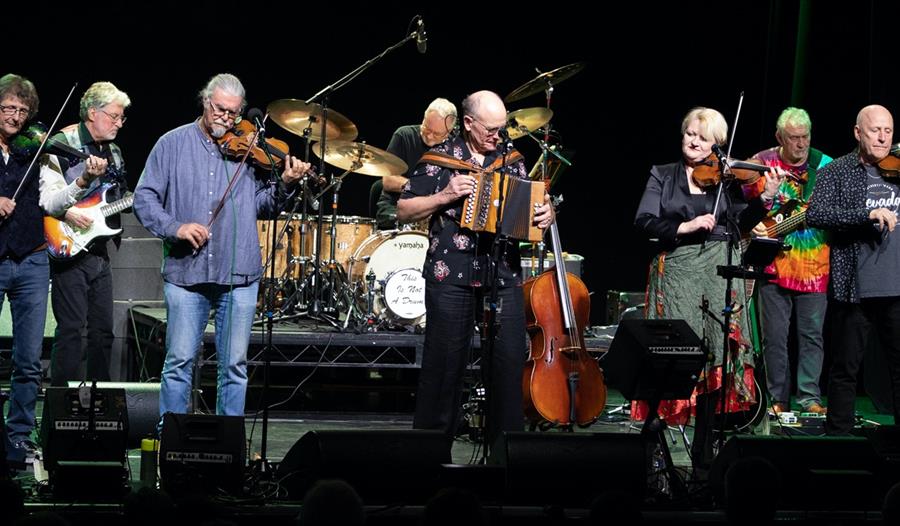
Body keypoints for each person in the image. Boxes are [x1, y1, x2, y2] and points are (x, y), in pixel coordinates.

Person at [133, 73, 310, 421]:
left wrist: (285, 184)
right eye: (220, 110)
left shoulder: (249, 148)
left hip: (239, 273)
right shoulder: (172, 144)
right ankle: (171, 439)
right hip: (187, 272)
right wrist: (176, 227)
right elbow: (144, 198)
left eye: (233, 113)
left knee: (234, 366)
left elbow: (263, 206)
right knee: (180, 361)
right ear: (205, 102)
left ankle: (227, 446)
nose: (226, 119)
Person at [397, 90, 554, 448]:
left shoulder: (510, 159)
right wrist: (445, 195)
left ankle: (505, 456)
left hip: (501, 274)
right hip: (450, 275)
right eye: (491, 129)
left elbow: (530, 211)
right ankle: (430, 455)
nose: (499, 136)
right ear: (468, 124)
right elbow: (404, 209)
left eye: (502, 129)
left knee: (507, 365)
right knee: (444, 367)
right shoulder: (439, 160)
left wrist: (545, 215)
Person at [633, 107, 781, 468]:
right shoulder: (663, 175)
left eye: (703, 138)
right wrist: (686, 226)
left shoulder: (727, 181)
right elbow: (644, 221)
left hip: (718, 274)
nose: (694, 142)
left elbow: (742, 223)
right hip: (678, 273)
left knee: (716, 356)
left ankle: (704, 453)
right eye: (690, 134)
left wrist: (766, 198)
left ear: (718, 145)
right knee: (673, 358)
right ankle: (652, 452)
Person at [0, 74, 108, 467]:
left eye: (22, 111)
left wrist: (82, 179)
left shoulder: (38, 150)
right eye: (8, 108)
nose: (15, 117)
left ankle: (18, 439)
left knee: (28, 361)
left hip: (30, 260)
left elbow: (53, 199)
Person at [807, 104, 900, 436]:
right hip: (854, 286)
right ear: (858, 132)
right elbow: (816, 214)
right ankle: (839, 440)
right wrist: (866, 215)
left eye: (888, 131)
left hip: (896, 287)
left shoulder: (898, 168)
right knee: (845, 368)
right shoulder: (837, 171)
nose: (882, 137)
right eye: (875, 130)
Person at [744, 107, 832, 415]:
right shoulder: (762, 162)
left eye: (805, 136)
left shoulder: (825, 166)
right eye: (794, 138)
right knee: (775, 339)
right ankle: (778, 399)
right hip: (773, 266)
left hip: (814, 268)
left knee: (812, 337)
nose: (801, 144)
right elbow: (747, 205)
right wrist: (755, 220)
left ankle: (809, 398)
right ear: (780, 137)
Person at [48, 81, 131, 387]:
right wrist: (66, 212)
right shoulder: (61, 141)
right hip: (68, 246)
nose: (119, 123)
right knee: (70, 330)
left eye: (122, 118)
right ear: (93, 113)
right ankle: (60, 403)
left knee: (103, 332)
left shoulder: (116, 152)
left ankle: (99, 402)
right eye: (114, 116)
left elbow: (117, 196)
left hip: (100, 249)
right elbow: (43, 196)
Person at [376, 98, 457, 230]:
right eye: (427, 128)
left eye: (436, 134)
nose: (429, 136)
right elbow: (388, 180)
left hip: (434, 212)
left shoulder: (454, 148)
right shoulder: (404, 135)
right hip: (394, 206)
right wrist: (421, 190)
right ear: (424, 118)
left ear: (448, 132)